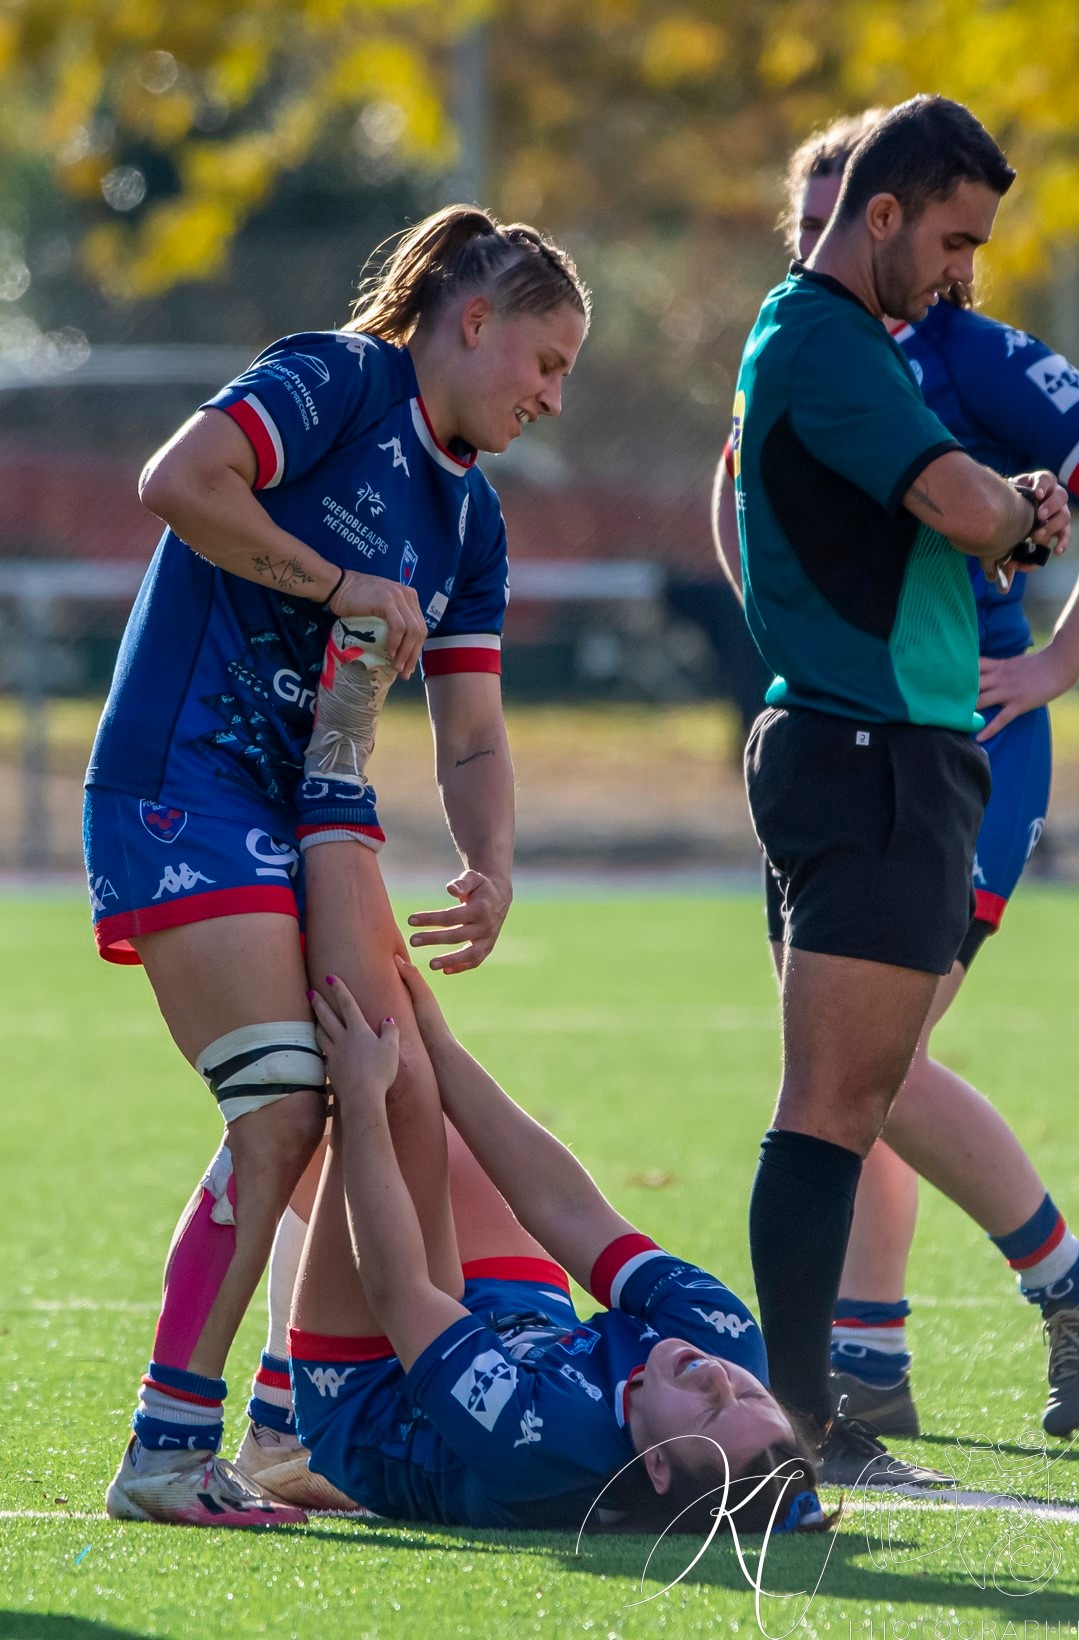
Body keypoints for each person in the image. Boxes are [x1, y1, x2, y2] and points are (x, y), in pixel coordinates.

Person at [86, 204, 590, 1525]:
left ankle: (286, 1427)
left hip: (309, 817)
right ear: (473, 322)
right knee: (287, 1105)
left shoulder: (470, 516)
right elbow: (179, 481)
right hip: (183, 785)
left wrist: (491, 860)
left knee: (364, 1096)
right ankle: (168, 1449)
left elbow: (470, 732)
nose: (551, 397)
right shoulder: (336, 377)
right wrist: (334, 584)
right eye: (546, 362)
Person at [714, 111, 1079, 1444]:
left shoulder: (854, 341)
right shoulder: (828, 339)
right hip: (872, 750)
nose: (959, 269)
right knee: (839, 1099)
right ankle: (806, 1418)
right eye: (951, 238)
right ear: (879, 216)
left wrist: (1044, 631)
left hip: (890, 745)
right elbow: (964, 503)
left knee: (857, 1092)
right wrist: (1023, 505)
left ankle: (826, 1395)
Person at [285, 907, 834, 1534]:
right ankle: (274, 1138)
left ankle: (262, 1399)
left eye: (709, 1411)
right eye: (753, 1394)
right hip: (517, 1316)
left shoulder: (545, 1449)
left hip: (375, 1389)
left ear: (655, 1467)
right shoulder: (725, 1339)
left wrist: (359, 1104)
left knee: (387, 1089)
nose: (718, 1378)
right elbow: (569, 1210)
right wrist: (443, 1049)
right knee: (406, 1075)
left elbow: (400, 1290)